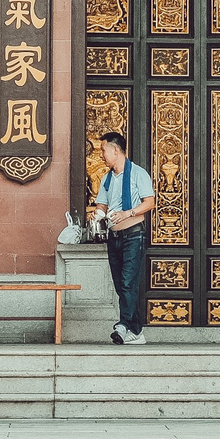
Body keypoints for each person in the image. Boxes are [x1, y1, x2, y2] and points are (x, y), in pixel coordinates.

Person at [91, 132, 155, 345]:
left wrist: (128, 213)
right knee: (121, 286)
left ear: (115, 150)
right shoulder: (107, 178)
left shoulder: (138, 173)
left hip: (133, 235)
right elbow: (102, 204)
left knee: (128, 283)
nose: (101, 155)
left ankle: (123, 326)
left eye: (103, 150)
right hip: (114, 237)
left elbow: (150, 202)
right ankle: (135, 331)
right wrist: (98, 214)